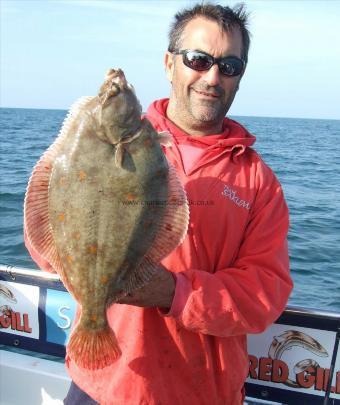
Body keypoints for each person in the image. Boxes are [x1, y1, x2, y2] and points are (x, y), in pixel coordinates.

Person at [26, 3, 293, 404]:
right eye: (198, 59)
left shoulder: (259, 182)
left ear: (241, 76)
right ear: (170, 64)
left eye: (229, 65)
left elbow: (264, 295)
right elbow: (46, 248)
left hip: (204, 394)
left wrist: (174, 293)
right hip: (104, 386)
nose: (212, 76)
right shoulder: (102, 143)